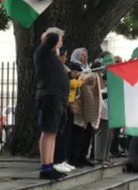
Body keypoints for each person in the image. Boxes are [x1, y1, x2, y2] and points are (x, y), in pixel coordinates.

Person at [35, 28, 69, 180]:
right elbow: (52, 38)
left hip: (58, 97)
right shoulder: (42, 53)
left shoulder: (53, 56)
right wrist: (51, 35)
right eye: (60, 39)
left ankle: (50, 163)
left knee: (53, 132)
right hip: (49, 96)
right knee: (48, 131)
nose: (61, 42)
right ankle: (45, 166)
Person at [71, 66, 102, 167]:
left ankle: (82, 157)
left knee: (87, 135)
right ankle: (74, 158)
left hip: (88, 110)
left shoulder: (88, 76)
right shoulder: (75, 78)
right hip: (79, 110)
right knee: (78, 136)